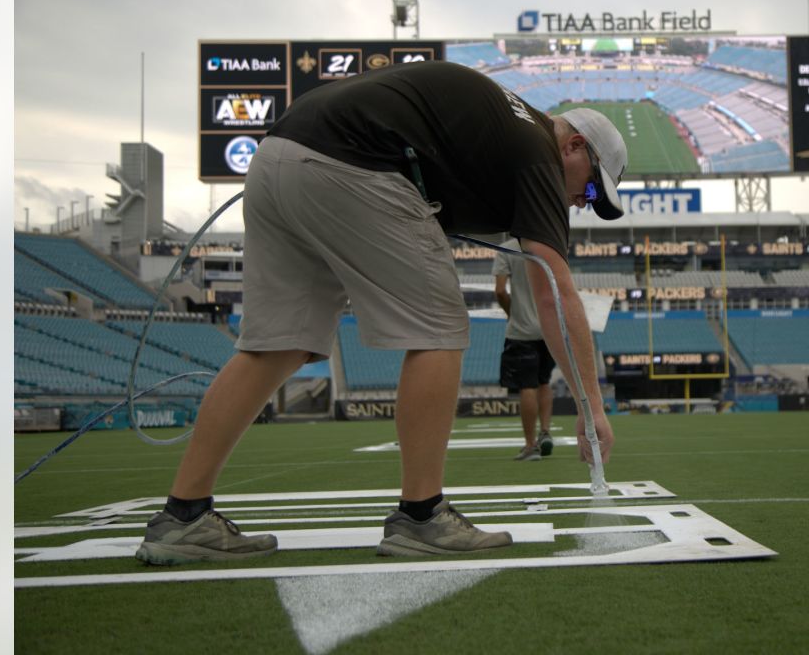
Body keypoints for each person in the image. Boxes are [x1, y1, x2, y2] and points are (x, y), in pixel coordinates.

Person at [134, 60, 624, 564]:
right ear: (574, 146)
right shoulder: (538, 148)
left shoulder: (506, 124)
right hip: (350, 161)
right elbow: (554, 291)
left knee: (277, 344)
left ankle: (183, 516)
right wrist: (592, 408)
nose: (581, 204)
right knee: (440, 327)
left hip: (276, 157)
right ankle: (422, 517)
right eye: (589, 189)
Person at [493, 238, 556, 461]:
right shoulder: (547, 244)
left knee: (527, 386)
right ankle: (545, 431)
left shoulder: (507, 249)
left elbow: (500, 291)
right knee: (544, 381)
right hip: (548, 327)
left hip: (521, 330)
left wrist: (513, 314)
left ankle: (530, 445)